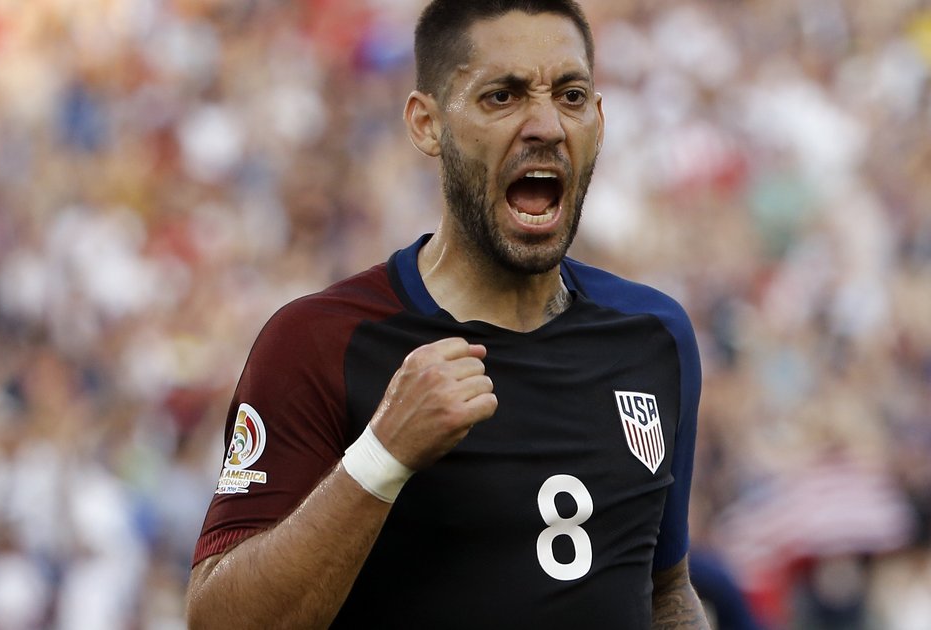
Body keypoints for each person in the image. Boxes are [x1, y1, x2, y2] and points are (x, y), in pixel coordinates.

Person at [184, 0, 709, 627]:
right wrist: (380, 457)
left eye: (570, 96)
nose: (545, 124)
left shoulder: (654, 335)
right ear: (426, 123)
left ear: (597, 119)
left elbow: (666, 590)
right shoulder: (321, 342)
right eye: (502, 97)